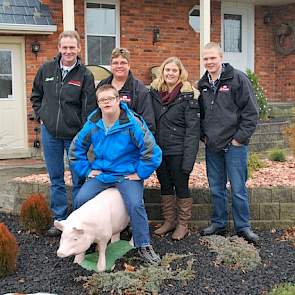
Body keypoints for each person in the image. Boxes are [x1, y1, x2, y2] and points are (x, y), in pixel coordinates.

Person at [68, 84, 162, 266]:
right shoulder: (93, 124)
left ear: (118, 100)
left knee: (135, 204)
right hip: (102, 174)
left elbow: (152, 151)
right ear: (98, 103)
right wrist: (87, 170)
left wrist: (140, 172)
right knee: (80, 199)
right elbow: (75, 149)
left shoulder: (132, 122)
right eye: (102, 100)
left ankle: (143, 244)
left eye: (110, 98)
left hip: (126, 174)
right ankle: (85, 241)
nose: (106, 102)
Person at [30, 31, 97, 237]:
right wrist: (41, 115)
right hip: (50, 133)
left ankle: (77, 220)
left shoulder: (85, 75)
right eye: (64, 47)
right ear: (59, 48)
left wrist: (83, 134)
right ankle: (59, 219)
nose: (68, 51)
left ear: (78, 49)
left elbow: (89, 109)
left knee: (78, 178)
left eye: (72, 47)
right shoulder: (46, 69)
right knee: (56, 178)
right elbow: (36, 95)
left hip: (74, 136)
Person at [198, 42, 259, 244]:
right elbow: (201, 114)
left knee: (238, 188)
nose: (209, 61)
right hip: (213, 145)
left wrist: (239, 139)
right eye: (206, 58)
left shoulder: (237, 78)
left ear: (221, 57)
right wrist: (203, 136)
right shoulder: (203, 84)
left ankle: (243, 227)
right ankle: (219, 224)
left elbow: (251, 112)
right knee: (216, 188)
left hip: (234, 145)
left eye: (212, 58)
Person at [150, 57, 200, 240]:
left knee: (181, 187)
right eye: (167, 70)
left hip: (179, 151)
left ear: (180, 74)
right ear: (162, 72)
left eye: (174, 70)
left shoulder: (188, 97)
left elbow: (193, 132)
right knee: (165, 186)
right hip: (159, 150)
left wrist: (189, 160)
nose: (170, 73)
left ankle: (182, 225)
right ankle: (169, 221)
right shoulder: (154, 93)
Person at [97, 48, 156, 134]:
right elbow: (95, 113)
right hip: (105, 139)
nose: (119, 66)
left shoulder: (139, 89)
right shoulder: (103, 85)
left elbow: (148, 123)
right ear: (111, 65)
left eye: (123, 63)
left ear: (129, 65)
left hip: (129, 142)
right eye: (115, 63)